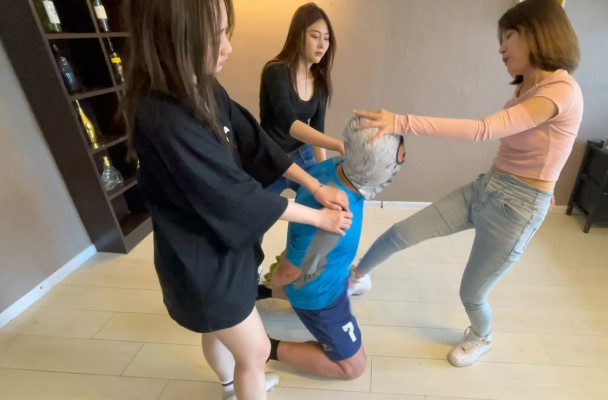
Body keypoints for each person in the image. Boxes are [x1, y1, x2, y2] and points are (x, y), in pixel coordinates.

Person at [123, 1, 353, 399]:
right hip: (200, 260)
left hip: (221, 246)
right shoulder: (164, 117)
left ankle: (231, 387)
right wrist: (317, 217)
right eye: (214, 37)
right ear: (171, 39)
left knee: (221, 330)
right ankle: (241, 385)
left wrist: (314, 186)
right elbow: (236, 197)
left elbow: (256, 142)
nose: (227, 47)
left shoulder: (203, 86)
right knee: (256, 350)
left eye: (225, 33)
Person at [348, 0, 583, 368]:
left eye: (509, 35)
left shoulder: (562, 90)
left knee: (471, 294)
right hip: (488, 188)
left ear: (538, 33)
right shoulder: (527, 88)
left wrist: (401, 122)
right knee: (401, 233)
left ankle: (481, 336)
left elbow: (483, 130)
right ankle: (359, 276)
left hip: (517, 211)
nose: (501, 47)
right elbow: (547, 145)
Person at [257, 116, 405, 379]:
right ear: (375, 170)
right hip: (321, 296)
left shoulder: (333, 166)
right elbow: (288, 272)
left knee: (294, 277)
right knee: (353, 368)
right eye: (397, 162)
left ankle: (262, 291)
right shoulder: (334, 220)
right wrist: (281, 276)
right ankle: (260, 347)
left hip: (319, 272)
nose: (399, 167)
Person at [260, 3, 345, 195]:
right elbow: (290, 124)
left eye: (327, 38)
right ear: (299, 36)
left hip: (304, 159)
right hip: (270, 161)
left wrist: (324, 172)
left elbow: (317, 129)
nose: (322, 44)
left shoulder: (320, 81)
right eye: (315, 36)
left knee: (326, 203)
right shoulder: (275, 71)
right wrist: (338, 144)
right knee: (254, 211)